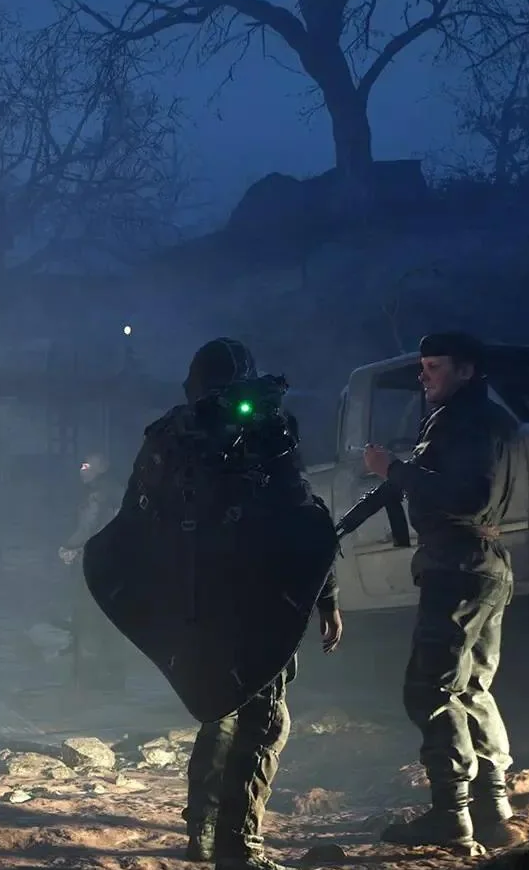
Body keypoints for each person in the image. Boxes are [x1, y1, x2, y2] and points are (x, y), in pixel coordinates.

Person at [103, 338, 344, 870]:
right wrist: (325, 597)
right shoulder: (263, 428)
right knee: (262, 721)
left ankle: (205, 835)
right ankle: (240, 848)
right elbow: (303, 514)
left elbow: (134, 521)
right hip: (253, 601)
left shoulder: (166, 435)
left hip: (196, 604)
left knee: (219, 709)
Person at [361, 331, 522, 855]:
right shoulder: (488, 420)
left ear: (466, 370)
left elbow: (468, 497)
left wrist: (393, 470)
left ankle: (452, 814)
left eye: (435, 366)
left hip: (457, 564)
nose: (423, 375)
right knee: (471, 686)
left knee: (432, 689)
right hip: (481, 563)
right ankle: (492, 810)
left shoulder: (465, 420)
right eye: (423, 366)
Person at [57, 453, 126, 690]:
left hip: (95, 565)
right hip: (116, 565)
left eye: (87, 466)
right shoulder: (119, 492)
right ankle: (115, 678)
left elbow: (87, 527)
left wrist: (68, 547)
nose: (82, 470)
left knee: (87, 619)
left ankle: (87, 679)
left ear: (102, 468)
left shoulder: (98, 495)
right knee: (112, 623)